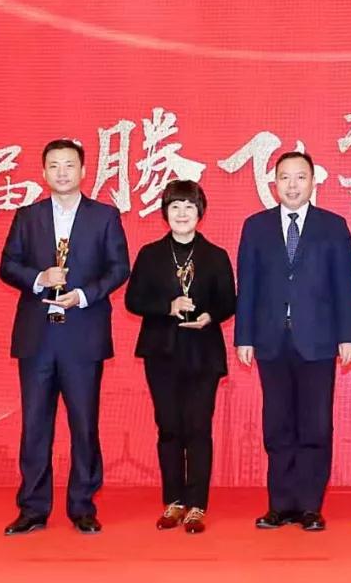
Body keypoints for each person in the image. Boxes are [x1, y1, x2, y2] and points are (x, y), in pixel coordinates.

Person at [0, 138, 130, 535]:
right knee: (35, 425)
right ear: (43, 172)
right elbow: (7, 264)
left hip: (83, 335)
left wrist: (84, 295)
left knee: (84, 424)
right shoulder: (28, 216)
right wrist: (39, 278)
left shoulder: (104, 216)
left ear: (83, 171)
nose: (62, 172)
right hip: (37, 338)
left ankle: (82, 505)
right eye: (54, 165)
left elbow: (119, 267)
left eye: (69, 165)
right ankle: (33, 508)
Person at [234, 150, 351, 532]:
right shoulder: (255, 226)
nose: (292, 185)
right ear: (274, 184)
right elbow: (247, 285)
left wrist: (349, 335)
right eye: (285, 178)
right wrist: (244, 336)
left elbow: (345, 285)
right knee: (277, 425)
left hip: (318, 339)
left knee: (315, 425)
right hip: (270, 339)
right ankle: (280, 504)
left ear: (313, 182)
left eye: (300, 177)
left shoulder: (333, 226)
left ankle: (309, 506)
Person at [125, 180, 235, 535]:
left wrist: (210, 315)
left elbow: (229, 301)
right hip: (162, 352)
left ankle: (197, 505)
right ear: (165, 213)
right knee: (169, 427)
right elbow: (132, 300)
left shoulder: (215, 255)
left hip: (203, 352)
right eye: (175, 207)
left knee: (198, 427)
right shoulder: (150, 254)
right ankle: (173, 501)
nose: (182, 213)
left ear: (200, 212)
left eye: (189, 207)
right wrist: (167, 306)